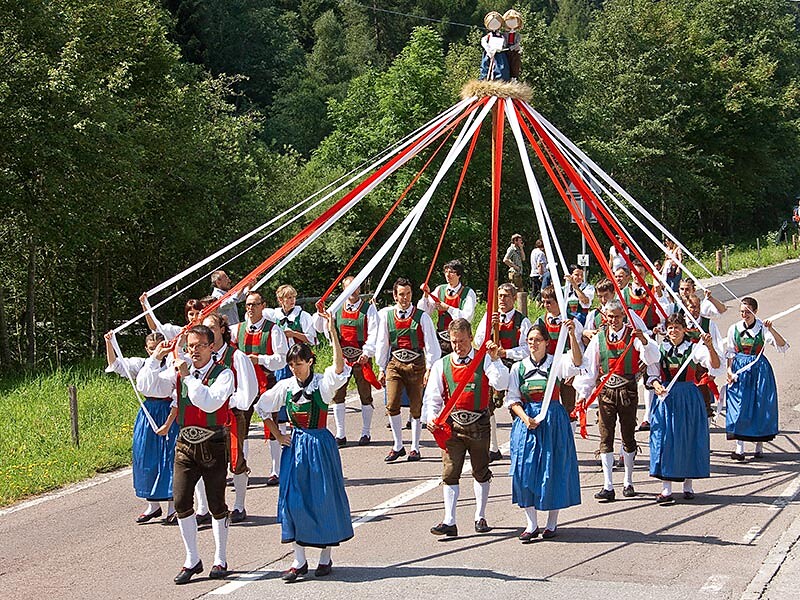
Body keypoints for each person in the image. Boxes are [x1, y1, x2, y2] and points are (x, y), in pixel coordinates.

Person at [255, 314, 353, 583]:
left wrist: (333, 333)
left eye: (300, 363)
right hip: (295, 444)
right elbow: (262, 407)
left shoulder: (322, 384)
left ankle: (324, 557)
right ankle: (299, 561)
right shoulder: (285, 386)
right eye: (292, 364)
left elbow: (339, 368)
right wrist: (278, 434)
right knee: (293, 501)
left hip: (319, 445)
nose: (296, 368)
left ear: (310, 362)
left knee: (322, 498)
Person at [137, 324, 234, 584]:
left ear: (211, 347)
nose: (194, 351)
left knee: (216, 504)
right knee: (181, 501)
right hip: (185, 444)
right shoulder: (179, 371)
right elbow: (147, 384)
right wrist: (156, 357)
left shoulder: (223, 374)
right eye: (190, 346)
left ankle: (220, 558)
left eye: (200, 345)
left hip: (213, 443)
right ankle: (192, 559)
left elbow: (210, 401)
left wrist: (188, 377)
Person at [423, 318, 509, 536]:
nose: (457, 346)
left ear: (470, 338)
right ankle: (449, 521)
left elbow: (501, 383)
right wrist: (432, 418)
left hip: (479, 423)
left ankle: (480, 516)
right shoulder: (441, 365)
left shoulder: (484, 360)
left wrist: (496, 360)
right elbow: (432, 397)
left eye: (461, 341)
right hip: (453, 425)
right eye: (453, 342)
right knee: (450, 472)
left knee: (480, 471)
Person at [574, 300, 660, 501]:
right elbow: (590, 368)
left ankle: (628, 481)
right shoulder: (598, 338)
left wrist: (645, 341)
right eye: (610, 316)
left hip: (628, 391)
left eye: (617, 316)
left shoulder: (634, 335)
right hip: (605, 393)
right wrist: (582, 396)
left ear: (624, 316)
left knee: (628, 435)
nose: (613, 320)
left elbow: (653, 357)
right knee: (606, 436)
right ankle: (608, 485)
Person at [506, 321, 583, 540]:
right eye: (530, 340)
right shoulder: (518, 368)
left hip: (553, 420)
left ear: (547, 343)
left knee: (552, 468)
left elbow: (577, 362)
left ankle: (551, 523)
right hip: (528, 420)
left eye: (538, 340)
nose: (533, 344)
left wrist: (571, 336)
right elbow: (512, 399)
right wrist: (525, 418)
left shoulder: (556, 363)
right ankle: (531, 524)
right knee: (524, 470)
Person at [104, 331, 179, 524]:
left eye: (160, 346)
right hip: (148, 412)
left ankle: (173, 507)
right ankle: (153, 505)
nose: (157, 351)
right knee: (145, 455)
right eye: (152, 348)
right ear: (147, 349)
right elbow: (116, 365)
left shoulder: (173, 363)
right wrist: (109, 343)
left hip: (168, 409)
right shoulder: (142, 364)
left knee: (169, 457)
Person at [646, 314, 721, 504]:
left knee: (688, 437)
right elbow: (652, 374)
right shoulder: (659, 349)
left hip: (688, 397)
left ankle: (688, 485)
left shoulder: (695, 349)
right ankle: (666, 489)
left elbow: (715, 365)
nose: (673, 331)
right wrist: (656, 386)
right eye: (670, 328)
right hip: (666, 398)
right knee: (665, 439)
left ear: (684, 330)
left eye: (677, 328)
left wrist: (710, 346)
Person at [202, 313, 258, 524]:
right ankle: (204, 508)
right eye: (204, 329)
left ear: (223, 330)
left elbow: (249, 390)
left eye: (212, 328)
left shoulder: (236, 356)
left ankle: (239, 505)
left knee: (236, 461)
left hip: (231, 416)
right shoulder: (200, 358)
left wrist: (230, 402)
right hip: (206, 418)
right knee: (204, 462)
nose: (208, 333)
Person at [377, 278, 441, 462]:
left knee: (416, 406)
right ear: (395, 296)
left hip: (416, 364)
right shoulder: (387, 317)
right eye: (401, 294)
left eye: (408, 294)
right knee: (392, 402)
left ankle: (415, 447)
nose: (405, 298)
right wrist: (381, 367)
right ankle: (398, 445)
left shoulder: (422, 317)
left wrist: (430, 368)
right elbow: (383, 343)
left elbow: (431, 345)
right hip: (395, 363)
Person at [230, 291, 289, 487]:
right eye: (248, 304)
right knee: (241, 427)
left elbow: (282, 359)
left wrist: (260, 359)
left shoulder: (273, 330)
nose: (250, 308)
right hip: (244, 385)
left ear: (263, 306)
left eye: (255, 304)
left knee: (271, 425)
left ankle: (276, 470)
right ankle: (241, 468)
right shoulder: (237, 329)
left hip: (266, 381)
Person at [314, 276, 379, 447]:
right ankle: (340, 434)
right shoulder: (336, 308)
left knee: (365, 395)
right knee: (338, 395)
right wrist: (322, 315)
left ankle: (366, 432)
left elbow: (374, 332)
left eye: (355, 288)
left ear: (359, 289)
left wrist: (367, 352)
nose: (352, 291)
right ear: (343, 289)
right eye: (348, 288)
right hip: (341, 359)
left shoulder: (368, 309)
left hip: (361, 358)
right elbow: (323, 329)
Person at [725, 297, 789, 461]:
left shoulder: (762, 328)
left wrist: (771, 330)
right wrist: (729, 371)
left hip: (759, 369)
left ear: (755, 311)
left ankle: (759, 445)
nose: (744, 315)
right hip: (740, 369)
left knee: (760, 405)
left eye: (747, 311)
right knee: (739, 406)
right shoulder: (734, 328)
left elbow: (782, 345)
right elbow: (730, 352)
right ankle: (739, 448)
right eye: (742, 312)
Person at [474, 283, 532, 462]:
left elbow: (527, 348)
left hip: (514, 366)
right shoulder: (489, 317)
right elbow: (477, 341)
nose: (502, 299)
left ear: (514, 299)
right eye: (499, 296)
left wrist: (506, 352)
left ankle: (520, 446)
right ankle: (493, 447)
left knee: (516, 407)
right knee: (488, 405)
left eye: (506, 296)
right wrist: (490, 330)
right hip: (494, 365)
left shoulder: (522, 321)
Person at [534, 286, 584, 427]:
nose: (546, 305)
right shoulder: (540, 322)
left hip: (567, 369)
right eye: (544, 302)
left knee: (569, 407)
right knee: (547, 404)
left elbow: (579, 348)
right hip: (548, 369)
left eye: (549, 302)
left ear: (559, 302)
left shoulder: (573, 322)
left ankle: (570, 441)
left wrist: (575, 372)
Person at [418, 259, 477, 355]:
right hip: (441, 339)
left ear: (459, 274)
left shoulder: (468, 293)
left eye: (451, 272)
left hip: (460, 340)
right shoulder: (440, 290)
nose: (448, 275)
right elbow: (424, 311)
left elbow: (467, 317)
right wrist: (425, 294)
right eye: (446, 271)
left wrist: (448, 308)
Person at [479, 12, 509, 81]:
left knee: (501, 67)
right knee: (486, 65)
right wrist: (488, 49)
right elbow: (483, 41)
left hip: (499, 53)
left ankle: (500, 78)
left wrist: (502, 47)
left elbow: (504, 43)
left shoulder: (501, 35)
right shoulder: (489, 36)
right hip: (490, 53)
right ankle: (484, 78)